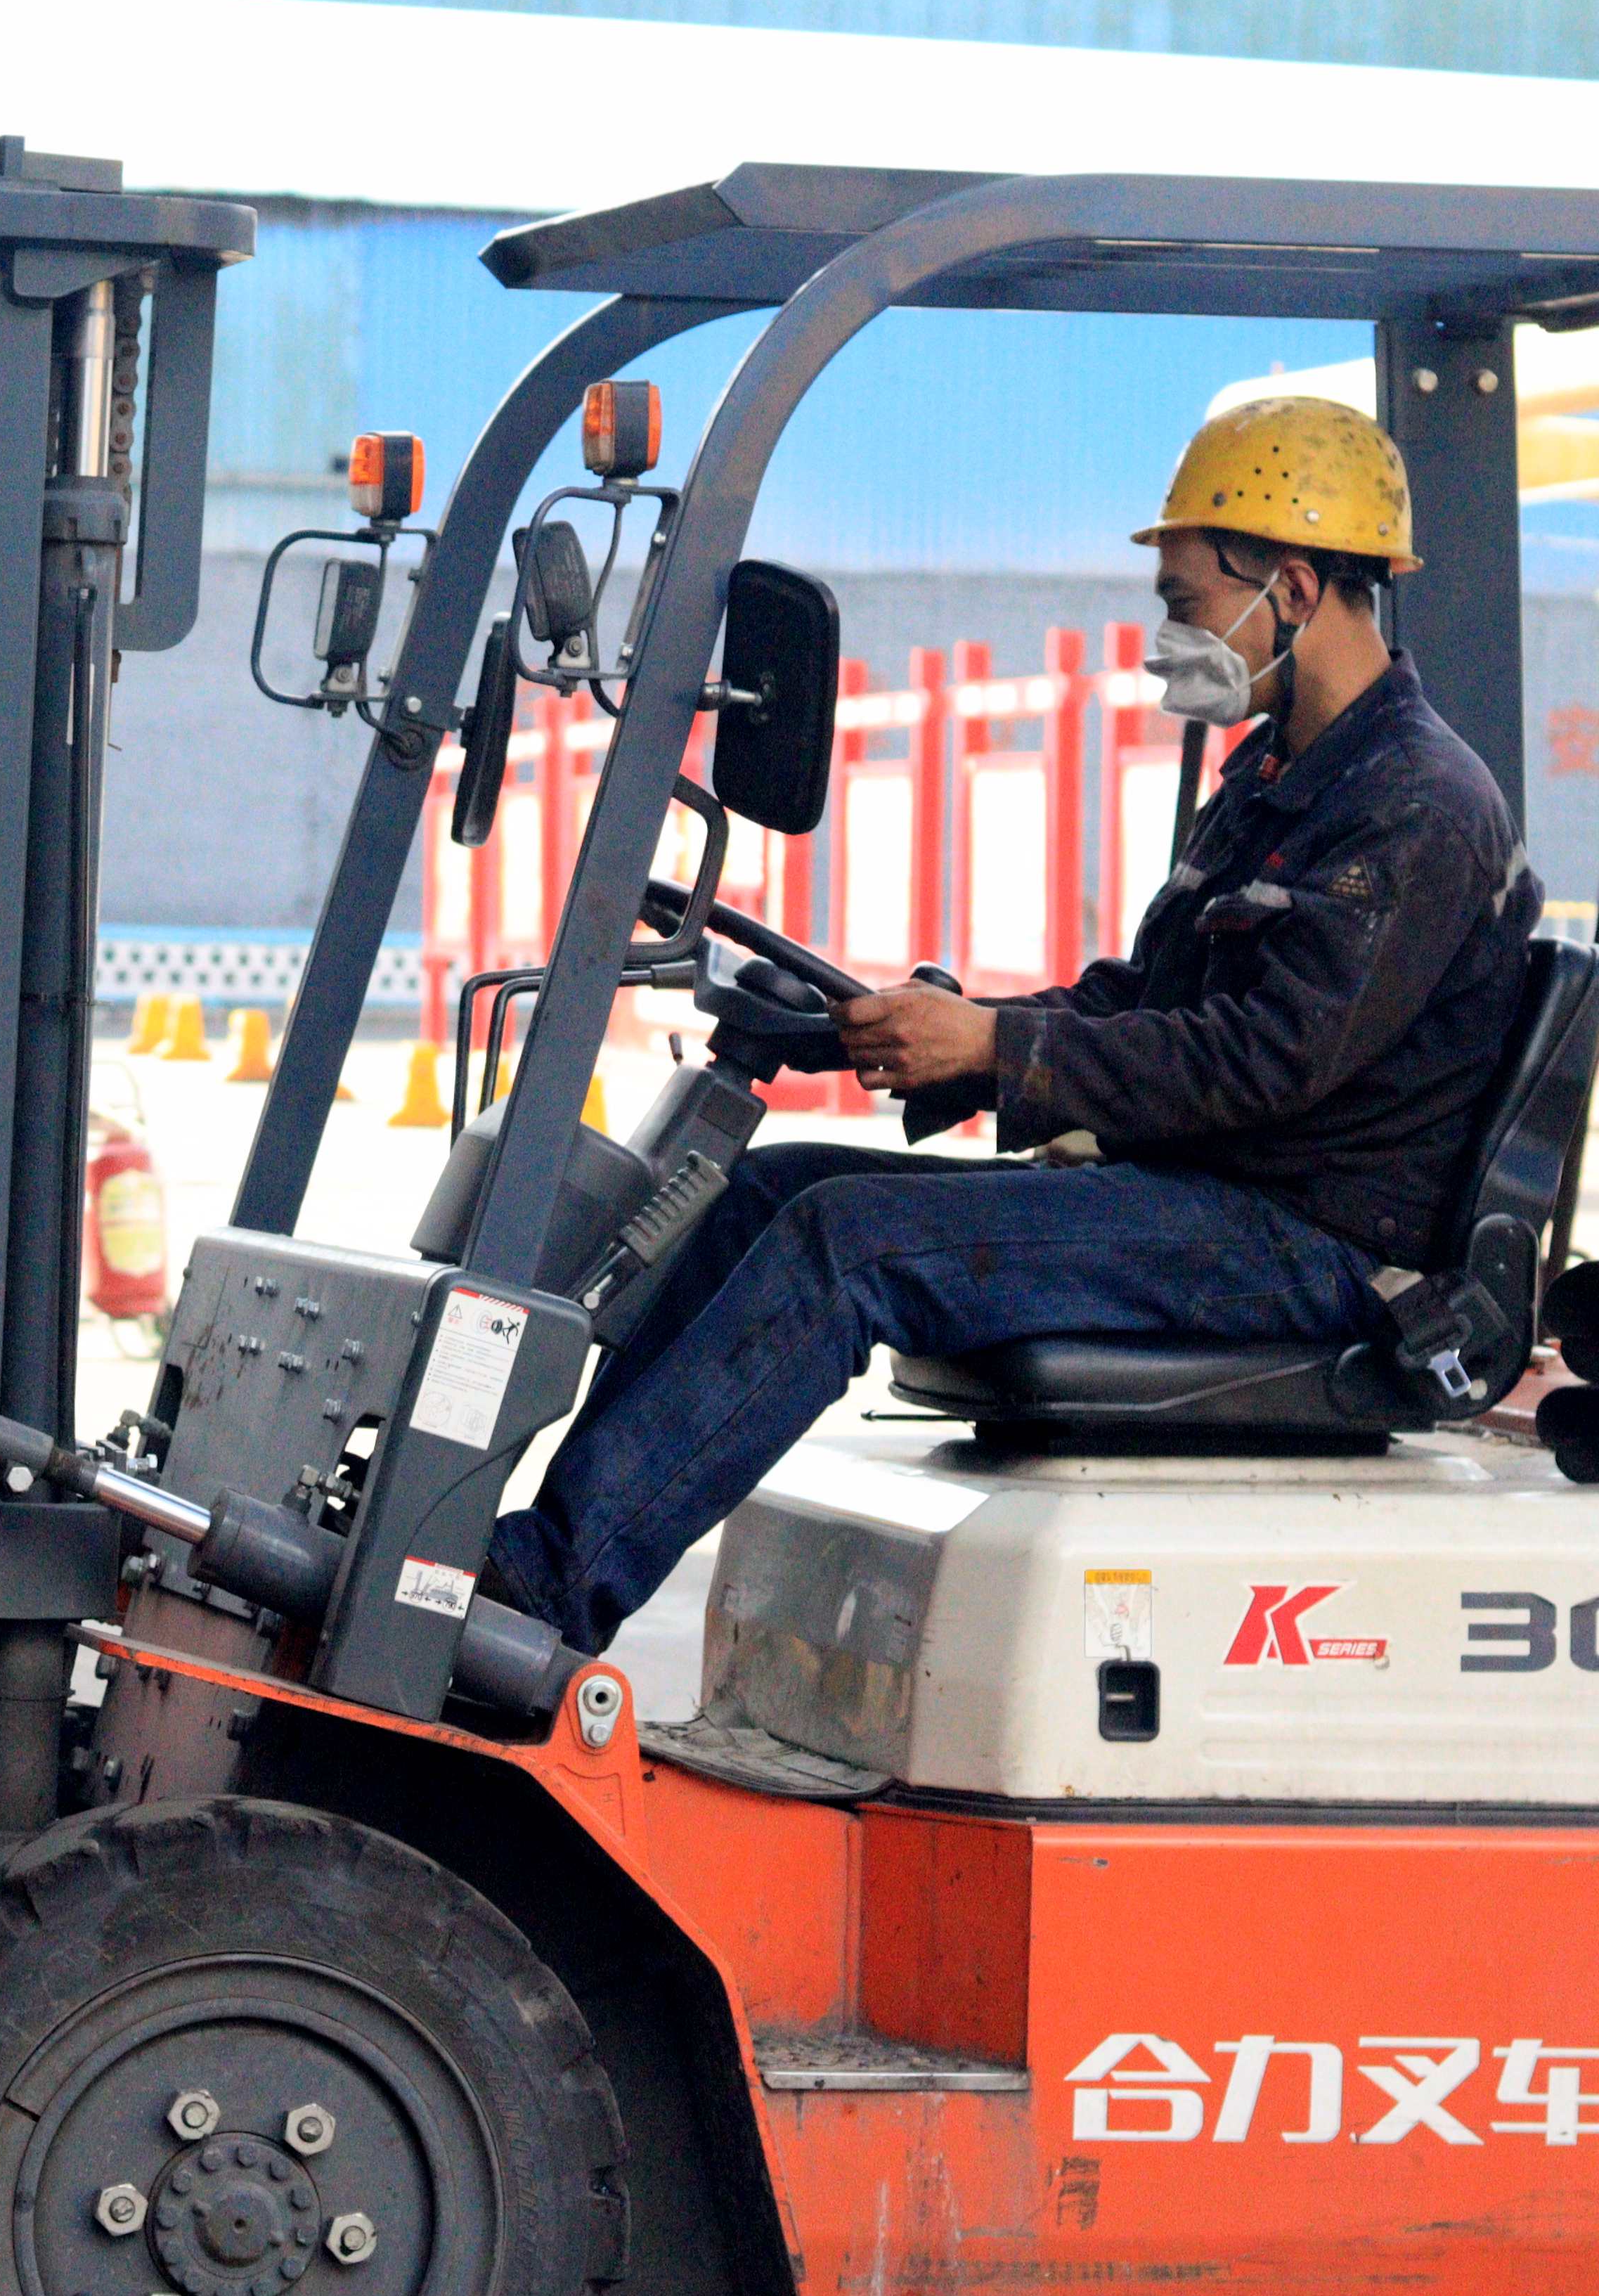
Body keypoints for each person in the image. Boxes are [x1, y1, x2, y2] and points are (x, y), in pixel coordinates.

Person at [488, 395, 1541, 1649]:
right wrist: (941, 1031)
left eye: (1187, 600)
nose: (1169, 634)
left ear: (1297, 590)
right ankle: (532, 1545)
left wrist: (997, 1050)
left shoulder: (1414, 803)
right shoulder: (1283, 780)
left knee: (845, 1244)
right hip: (1216, 1197)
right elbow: (1145, 1001)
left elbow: (1266, 1060)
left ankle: (549, 1592)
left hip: (1307, 1245)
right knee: (765, 1190)